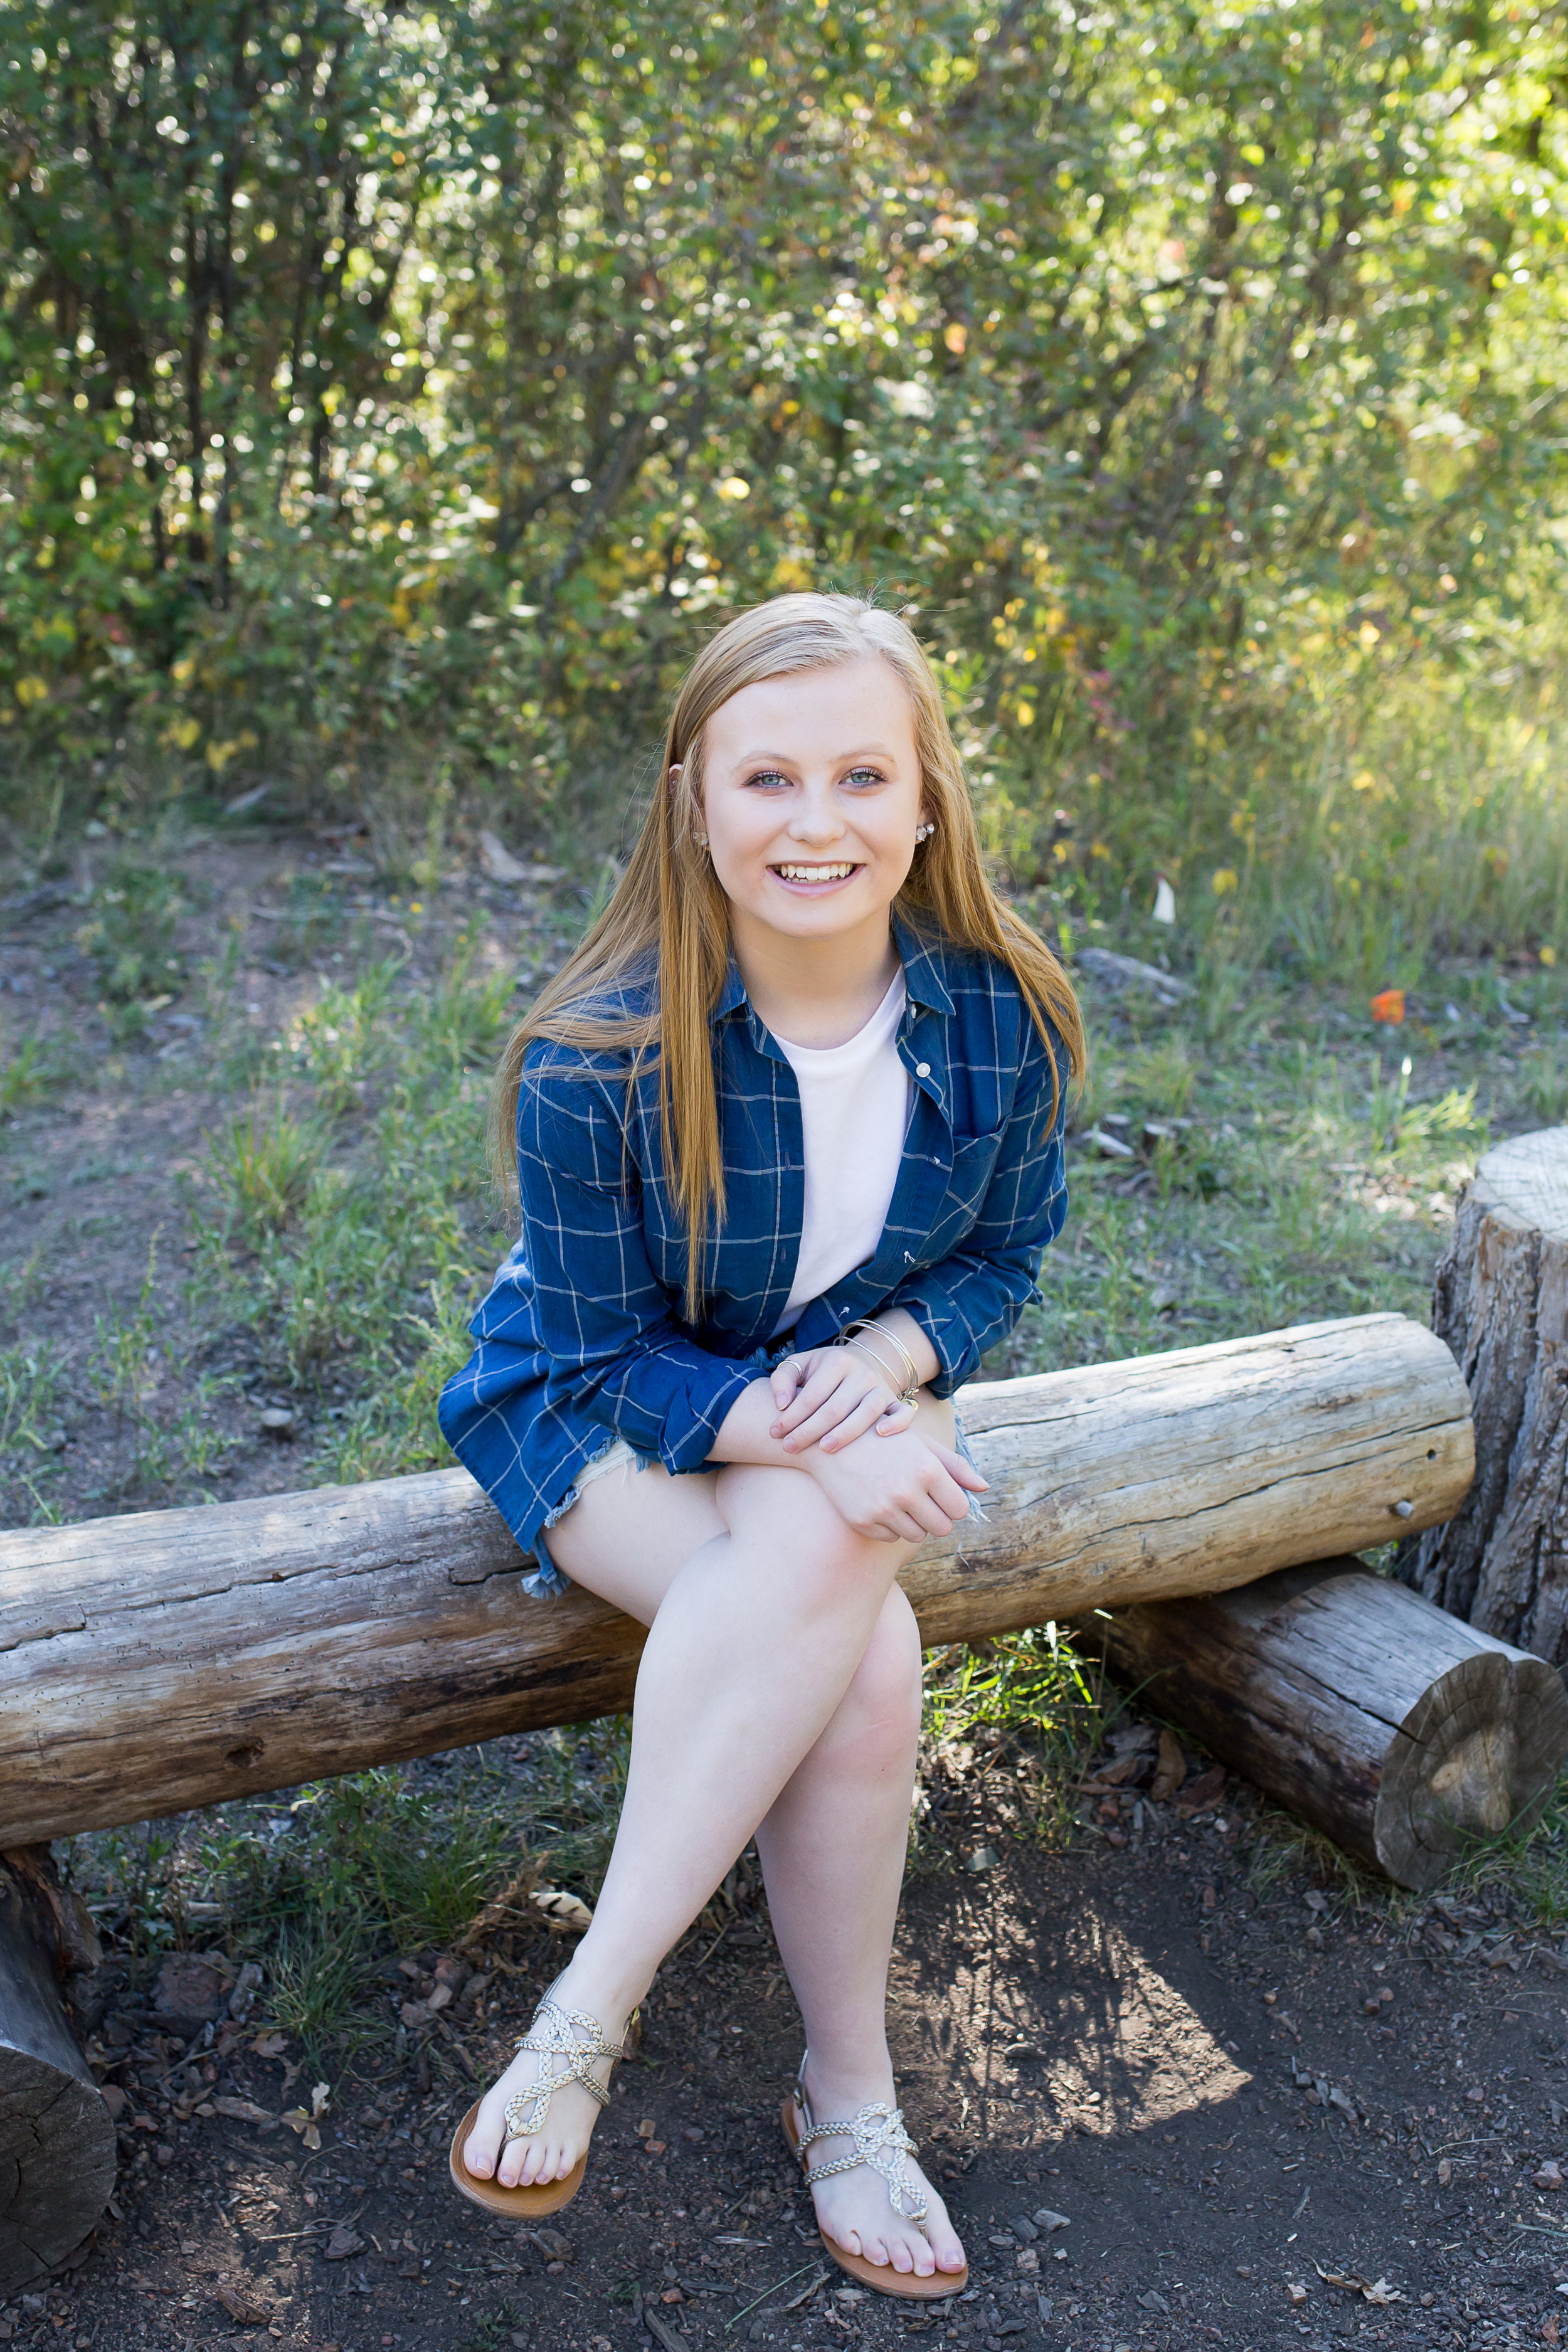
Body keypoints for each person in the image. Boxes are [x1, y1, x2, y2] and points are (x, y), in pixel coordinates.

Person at [438, 591, 1083, 2298]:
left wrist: (866, 1373)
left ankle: (624, 2018)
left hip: (834, 1388)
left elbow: (998, 1259)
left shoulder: (995, 1014)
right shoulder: (599, 1058)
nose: (817, 823)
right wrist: (793, 1434)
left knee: (851, 1624)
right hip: (599, 1407)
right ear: (692, 805)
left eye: (862, 776)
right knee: (852, 1621)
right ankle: (830, 2092)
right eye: (768, 779)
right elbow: (591, 1346)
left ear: (927, 802)